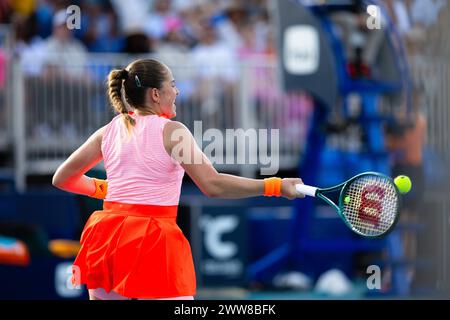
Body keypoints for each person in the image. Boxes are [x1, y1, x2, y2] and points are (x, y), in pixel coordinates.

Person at [52, 58, 304, 300]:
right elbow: (212, 185)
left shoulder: (107, 131)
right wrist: (275, 186)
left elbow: (62, 178)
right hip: (151, 238)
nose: (177, 90)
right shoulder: (173, 132)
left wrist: (107, 190)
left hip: (105, 235)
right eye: (172, 84)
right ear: (155, 94)